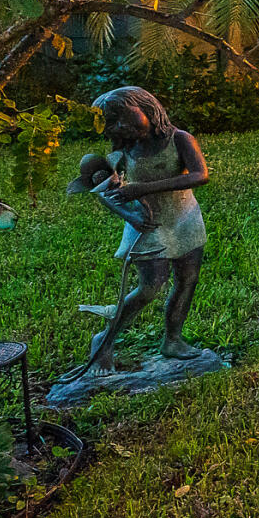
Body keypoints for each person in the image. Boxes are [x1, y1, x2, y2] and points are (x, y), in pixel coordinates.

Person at [69, 86, 210, 373]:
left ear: (146, 106)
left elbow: (200, 175)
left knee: (187, 281)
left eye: (124, 118)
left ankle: (173, 339)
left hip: (185, 220)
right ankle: (103, 341)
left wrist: (144, 188)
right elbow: (105, 191)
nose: (121, 127)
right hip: (146, 226)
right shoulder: (123, 150)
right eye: (113, 122)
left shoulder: (180, 139)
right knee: (148, 288)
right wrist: (130, 217)